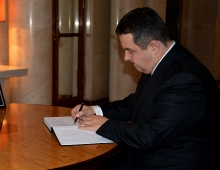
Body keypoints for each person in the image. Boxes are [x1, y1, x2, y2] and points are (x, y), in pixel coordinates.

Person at [71, 7, 220, 169]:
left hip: (172, 162)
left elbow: (151, 135)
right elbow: (136, 103)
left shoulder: (185, 79)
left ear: (154, 46)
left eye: (130, 51)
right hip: (148, 155)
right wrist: (95, 110)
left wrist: (104, 124)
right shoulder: (162, 63)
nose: (126, 58)